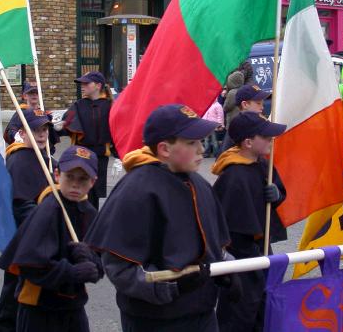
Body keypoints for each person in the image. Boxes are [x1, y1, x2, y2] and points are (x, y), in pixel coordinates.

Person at [85, 104, 240, 332]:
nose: (201, 149)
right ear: (164, 149)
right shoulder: (137, 189)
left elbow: (214, 245)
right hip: (156, 319)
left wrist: (227, 268)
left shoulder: (200, 184)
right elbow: (120, 268)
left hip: (203, 313)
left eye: (200, 141)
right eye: (191, 142)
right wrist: (171, 286)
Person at [0, 145, 102, 332]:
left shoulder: (90, 213)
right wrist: (72, 273)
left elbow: (100, 261)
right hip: (40, 308)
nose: (75, 184)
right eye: (69, 176)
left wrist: (92, 262)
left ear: (93, 182)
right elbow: (30, 264)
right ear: (57, 175)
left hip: (73, 305)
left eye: (83, 179)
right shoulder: (47, 210)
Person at [212, 111, 287, 332]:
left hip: (262, 250)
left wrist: (277, 194)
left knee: (264, 308)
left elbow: (278, 193)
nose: (271, 140)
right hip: (242, 258)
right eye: (265, 136)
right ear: (248, 142)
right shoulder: (234, 175)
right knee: (240, 313)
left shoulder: (263, 164)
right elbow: (228, 225)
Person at [0, 109, 58, 332]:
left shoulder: (46, 158)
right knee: (13, 294)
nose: (41, 135)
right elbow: (20, 205)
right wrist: (46, 222)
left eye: (44, 129)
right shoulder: (19, 159)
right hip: (22, 240)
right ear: (22, 132)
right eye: (36, 130)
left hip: (42, 240)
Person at [63, 71, 114, 210]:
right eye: (82, 83)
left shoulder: (110, 105)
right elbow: (66, 122)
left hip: (100, 156)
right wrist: (56, 127)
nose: (83, 86)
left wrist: (120, 152)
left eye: (86, 83)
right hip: (81, 155)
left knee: (95, 193)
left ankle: (91, 221)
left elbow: (118, 128)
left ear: (98, 85)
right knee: (79, 189)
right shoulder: (79, 105)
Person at [4, 81, 60, 154]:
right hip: (27, 152)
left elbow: (51, 137)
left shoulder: (44, 113)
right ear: (25, 96)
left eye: (37, 93)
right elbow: (10, 131)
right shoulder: (21, 113)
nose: (34, 95)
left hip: (44, 153)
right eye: (31, 93)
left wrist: (57, 128)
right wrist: (17, 136)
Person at [219, 84, 271, 153]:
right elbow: (225, 153)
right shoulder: (238, 127)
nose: (262, 107)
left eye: (262, 104)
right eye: (258, 103)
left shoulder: (258, 123)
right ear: (245, 104)